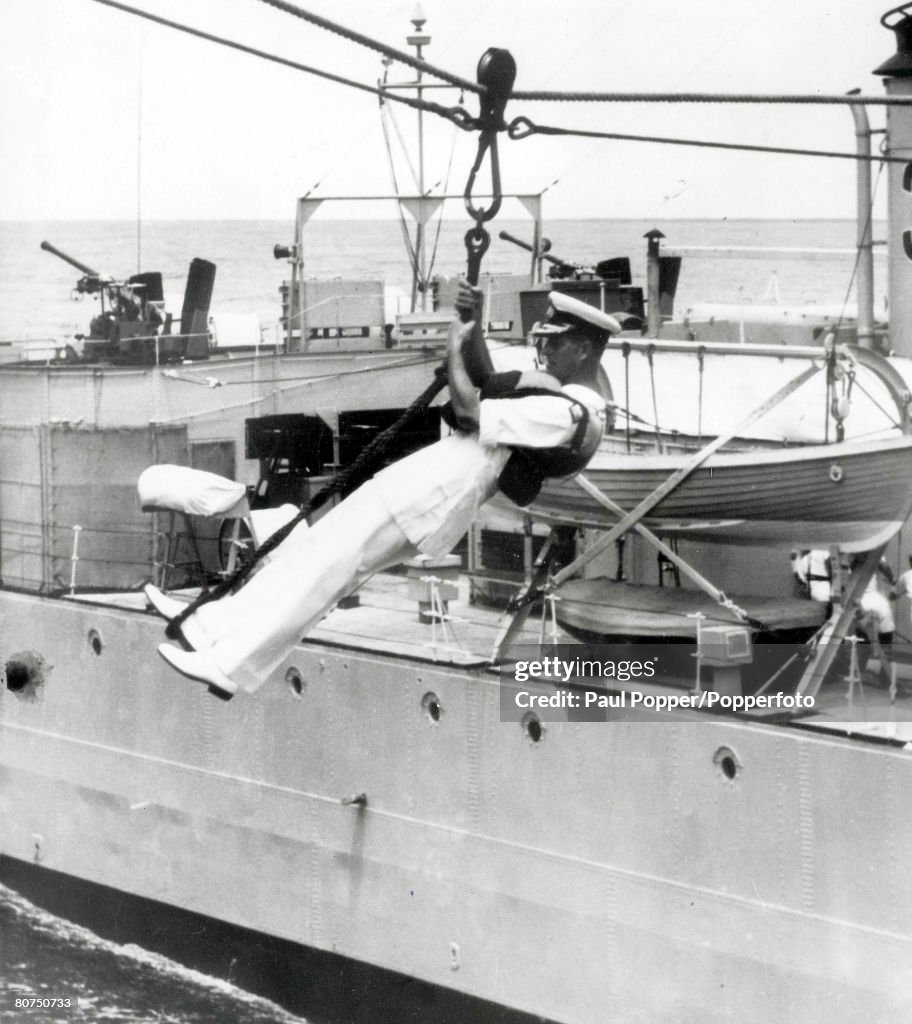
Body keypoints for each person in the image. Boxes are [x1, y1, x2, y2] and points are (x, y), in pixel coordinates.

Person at [146, 284, 620, 699]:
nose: (546, 352)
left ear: (582, 349)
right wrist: (471, 327)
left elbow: (472, 410)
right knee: (314, 550)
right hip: (426, 482)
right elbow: (489, 382)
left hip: (435, 496)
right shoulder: (561, 394)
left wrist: (454, 348)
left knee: (326, 570)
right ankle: (208, 625)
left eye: (556, 343)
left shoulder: (571, 412)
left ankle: (231, 667)